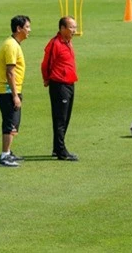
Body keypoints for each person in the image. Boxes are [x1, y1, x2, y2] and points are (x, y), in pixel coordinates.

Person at [41, 16, 79, 161]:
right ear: (62, 28)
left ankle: (57, 148)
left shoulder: (68, 42)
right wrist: (46, 78)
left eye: (75, 27)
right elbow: (46, 63)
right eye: (71, 27)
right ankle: (61, 151)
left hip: (69, 83)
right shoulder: (55, 43)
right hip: (59, 84)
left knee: (66, 118)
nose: (74, 30)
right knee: (60, 119)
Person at [0, 15, 31, 167]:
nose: (29, 30)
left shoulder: (14, 44)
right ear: (19, 28)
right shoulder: (11, 46)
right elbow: (10, 72)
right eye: (27, 27)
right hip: (8, 90)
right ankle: (4, 156)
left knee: (13, 122)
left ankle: (8, 152)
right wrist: (15, 95)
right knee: (10, 123)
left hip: (11, 90)